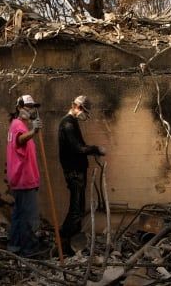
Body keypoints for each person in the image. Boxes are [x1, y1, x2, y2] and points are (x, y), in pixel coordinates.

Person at [58, 95, 105, 254]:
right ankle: (62, 240)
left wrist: (91, 150)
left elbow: (79, 146)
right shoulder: (68, 124)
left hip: (77, 171)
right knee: (76, 209)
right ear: (78, 107)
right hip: (74, 172)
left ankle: (71, 245)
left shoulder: (72, 122)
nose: (85, 116)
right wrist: (96, 149)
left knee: (78, 208)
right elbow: (78, 148)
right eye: (85, 111)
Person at [6, 94, 44, 257]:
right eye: (28, 107)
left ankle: (15, 246)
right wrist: (34, 130)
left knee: (19, 214)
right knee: (29, 216)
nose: (30, 110)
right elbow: (20, 140)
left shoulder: (17, 125)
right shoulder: (18, 126)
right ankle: (29, 249)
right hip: (24, 179)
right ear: (19, 108)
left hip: (20, 178)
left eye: (32, 107)